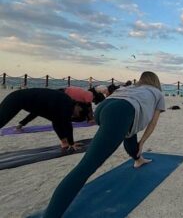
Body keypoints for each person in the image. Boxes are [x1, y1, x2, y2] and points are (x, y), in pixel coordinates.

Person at [42, 71, 165, 217]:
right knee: (85, 168)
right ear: (156, 81)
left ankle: (138, 160)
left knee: (129, 132)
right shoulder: (158, 93)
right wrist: (143, 141)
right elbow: (153, 123)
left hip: (102, 109)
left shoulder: (131, 87)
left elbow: (116, 100)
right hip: (119, 112)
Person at [0, 88, 85, 149]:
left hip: (17, 98)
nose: (75, 115)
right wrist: (71, 143)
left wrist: (22, 123)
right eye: (78, 112)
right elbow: (67, 124)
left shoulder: (61, 104)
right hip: (16, 98)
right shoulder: (67, 103)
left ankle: (64, 142)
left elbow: (37, 112)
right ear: (77, 105)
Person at [16, 86, 97, 130]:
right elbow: (89, 108)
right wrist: (91, 119)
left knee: (41, 109)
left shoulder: (85, 94)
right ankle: (22, 123)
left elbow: (85, 109)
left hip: (62, 91)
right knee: (41, 109)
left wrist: (89, 118)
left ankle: (21, 123)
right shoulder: (89, 96)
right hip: (61, 94)